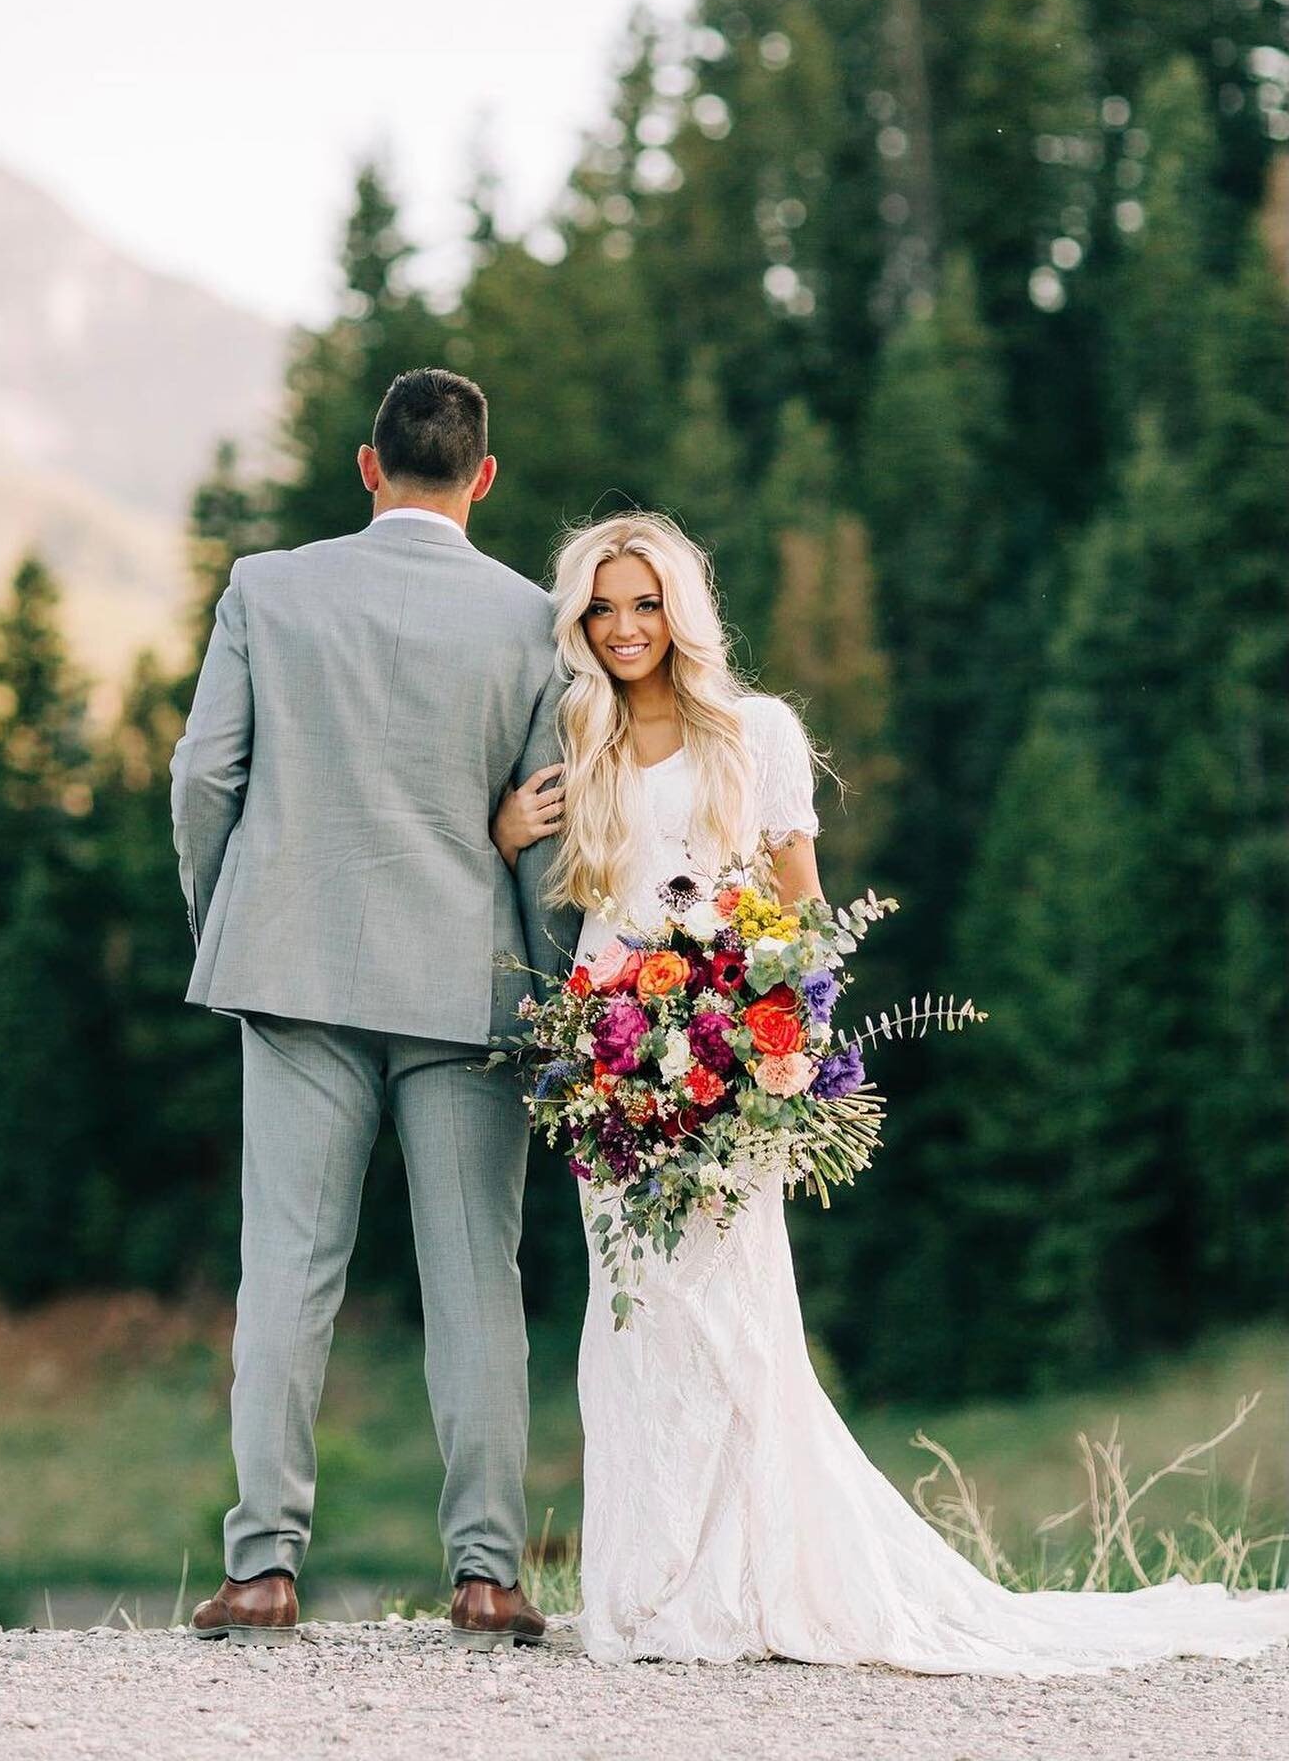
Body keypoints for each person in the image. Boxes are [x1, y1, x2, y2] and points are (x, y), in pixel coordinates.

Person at [493, 509, 1289, 1673]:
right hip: (612, 1064)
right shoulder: (576, 730)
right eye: (602, 607)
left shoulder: (754, 732)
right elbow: (563, 892)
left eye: (646, 602)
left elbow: (802, 914)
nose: (623, 627)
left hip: (726, 1060)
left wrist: (771, 1052)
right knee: (634, 1319)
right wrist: (511, 829)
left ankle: (751, 1583)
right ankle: (647, 1584)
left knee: (733, 1320)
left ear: (682, 612)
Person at [170, 368, 573, 1650]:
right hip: (467, 986)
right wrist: (551, 983)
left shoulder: (268, 591)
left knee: (285, 1273)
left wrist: (230, 925)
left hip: (292, 973)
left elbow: (201, 779)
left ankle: (264, 1570)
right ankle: (488, 1574)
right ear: (483, 477)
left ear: (368, 466)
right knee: (475, 1286)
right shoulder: (530, 622)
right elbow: (549, 832)